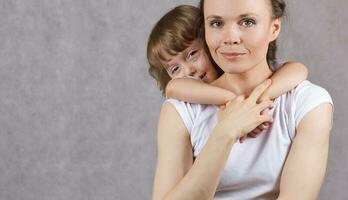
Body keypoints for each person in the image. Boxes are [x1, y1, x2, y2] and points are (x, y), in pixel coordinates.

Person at [152, 1, 333, 199]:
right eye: (217, 24)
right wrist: (225, 132)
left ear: (274, 28)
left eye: (247, 22)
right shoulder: (180, 110)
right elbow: (174, 87)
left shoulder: (307, 102)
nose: (230, 38)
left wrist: (252, 102)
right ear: (205, 31)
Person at [147, 5, 308, 143]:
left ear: (208, 41)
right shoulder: (187, 103)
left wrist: (257, 100)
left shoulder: (251, 73)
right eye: (175, 69)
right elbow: (173, 87)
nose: (189, 70)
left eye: (192, 54)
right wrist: (234, 101)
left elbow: (298, 69)